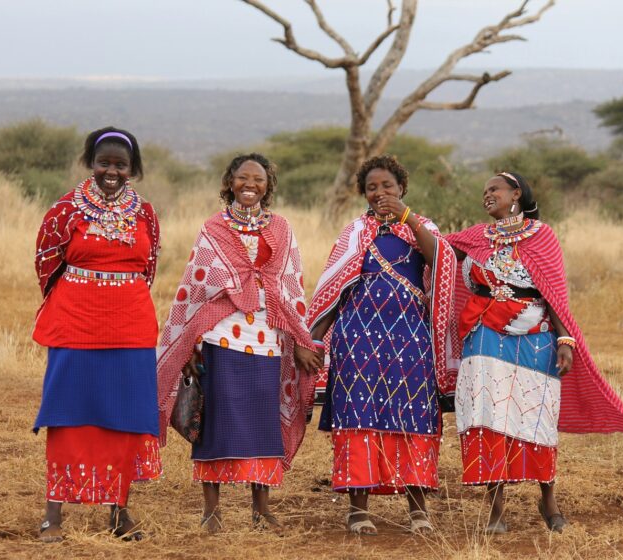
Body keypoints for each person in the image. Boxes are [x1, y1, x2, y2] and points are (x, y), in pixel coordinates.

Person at [445, 172, 623, 534]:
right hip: (483, 335)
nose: (487, 195)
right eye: (484, 191)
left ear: (516, 194)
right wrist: (406, 217)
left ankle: (548, 500)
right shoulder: (475, 237)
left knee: (537, 414)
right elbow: (438, 254)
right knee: (489, 414)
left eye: (494, 189)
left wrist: (565, 341)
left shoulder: (542, 236)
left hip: (534, 335)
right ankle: (496, 509)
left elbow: (554, 293)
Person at [156, 153, 322, 534]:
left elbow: (290, 287)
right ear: (230, 182)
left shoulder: (280, 229)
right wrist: (191, 346)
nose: (251, 185)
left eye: (259, 179)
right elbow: (196, 287)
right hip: (219, 337)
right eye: (243, 178)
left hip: (267, 340)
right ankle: (211, 511)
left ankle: (260, 511)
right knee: (214, 421)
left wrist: (299, 340)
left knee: (264, 424)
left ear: (268, 185)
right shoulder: (213, 228)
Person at [307, 155, 457, 535]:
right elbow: (333, 291)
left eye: (387, 186)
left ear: (402, 189)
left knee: (416, 414)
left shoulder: (423, 227)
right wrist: (312, 338)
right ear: (363, 193)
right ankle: (358, 509)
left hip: (410, 337)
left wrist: (407, 217)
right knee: (359, 414)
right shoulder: (354, 232)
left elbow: (441, 260)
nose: (380, 193)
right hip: (357, 337)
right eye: (372, 188)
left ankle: (418, 508)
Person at [33, 127, 161, 542]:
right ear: (91, 163)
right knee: (68, 412)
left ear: (132, 169)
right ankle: (54, 513)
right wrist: (81, 295)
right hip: (75, 323)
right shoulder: (65, 210)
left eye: (120, 165)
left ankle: (118, 511)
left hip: (132, 325)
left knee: (125, 415)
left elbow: (149, 267)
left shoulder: (145, 214)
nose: (111, 171)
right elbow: (46, 263)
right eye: (104, 162)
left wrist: (119, 295)